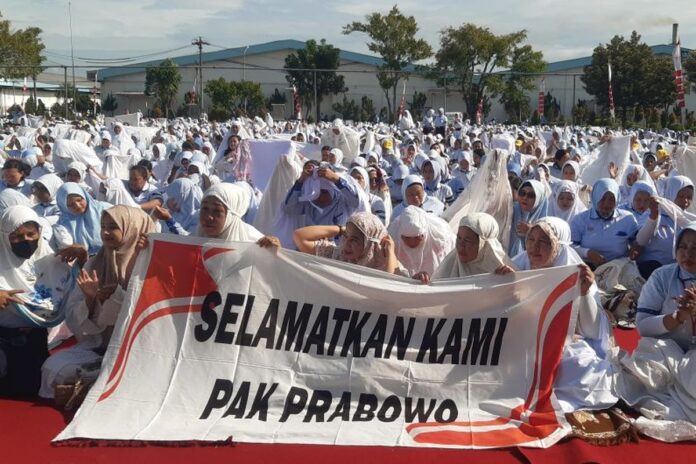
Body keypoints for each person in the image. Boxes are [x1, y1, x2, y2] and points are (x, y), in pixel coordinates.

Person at [40, 206, 156, 399]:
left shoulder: (149, 262)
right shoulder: (95, 263)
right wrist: (91, 299)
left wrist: (119, 295)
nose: (105, 232)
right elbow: (75, 322)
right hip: (101, 346)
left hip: (139, 349)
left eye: (113, 227)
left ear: (132, 228)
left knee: (135, 374)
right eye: (103, 226)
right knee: (54, 368)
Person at [509, 217, 618, 412]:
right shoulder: (519, 265)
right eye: (531, 239)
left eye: (544, 242)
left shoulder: (578, 275)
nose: (534, 247)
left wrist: (583, 294)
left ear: (558, 246)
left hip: (563, 341)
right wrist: (504, 282)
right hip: (522, 339)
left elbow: (592, 331)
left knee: (580, 365)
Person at [617, 223, 696, 426]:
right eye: (683, 246)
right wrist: (677, 317)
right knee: (635, 374)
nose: (688, 253)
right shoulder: (663, 276)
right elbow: (642, 326)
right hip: (664, 352)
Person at [0, 206, 71, 398]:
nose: (26, 241)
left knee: (29, 389)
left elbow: (65, 287)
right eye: (16, 236)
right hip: (3, 336)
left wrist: (79, 260)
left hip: (32, 338)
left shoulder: (48, 259)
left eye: (31, 234)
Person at [292, 211, 402, 274]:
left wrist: (390, 252)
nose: (346, 243)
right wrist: (340, 229)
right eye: (345, 237)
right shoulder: (336, 255)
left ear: (370, 244)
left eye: (354, 240)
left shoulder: (386, 264)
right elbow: (300, 237)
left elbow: (389, 285)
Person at [570, 178, 640, 269]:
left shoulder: (627, 219)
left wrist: (634, 250)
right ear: (595, 197)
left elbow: (637, 243)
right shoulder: (580, 220)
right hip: (588, 267)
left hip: (619, 268)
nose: (607, 204)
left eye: (611, 199)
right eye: (602, 199)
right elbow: (570, 247)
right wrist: (587, 253)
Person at [432, 212, 514, 280]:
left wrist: (511, 281)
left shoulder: (503, 272)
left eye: (468, 241)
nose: (461, 245)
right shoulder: (448, 268)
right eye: (459, 238)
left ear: (484, 245)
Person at [283, 160, 363, 227]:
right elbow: (289, 208)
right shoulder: (309, 202)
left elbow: (356, 202)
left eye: (324, 192)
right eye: (315, 194)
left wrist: (336, 179)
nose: (319, 197)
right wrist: (300, 181)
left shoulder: (343, 199)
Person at [387, 205, 455, 279]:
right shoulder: (393, 237)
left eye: (417, 237)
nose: (412, 243)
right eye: (406, 238)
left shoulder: (441, 238)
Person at [53, 182, 111, 255]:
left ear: (84, 196)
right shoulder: (63, 224)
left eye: (79, 200)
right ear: (64, 207)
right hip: (85, 263)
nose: (77, 205)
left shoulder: (104, 209)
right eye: (71, 205)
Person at [197, 183, 263, 242]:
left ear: (231, 215)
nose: (208, 217)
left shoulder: (255, 243)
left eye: (217, 211)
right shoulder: (191, 240)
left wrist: (270, 250)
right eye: (205, 208)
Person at [509, 179, 549, 257]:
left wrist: (532, 232)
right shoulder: (510, 210)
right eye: (522, 193)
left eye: (531, 195)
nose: (525, 198)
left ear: (539, 199)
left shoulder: (547, 223)